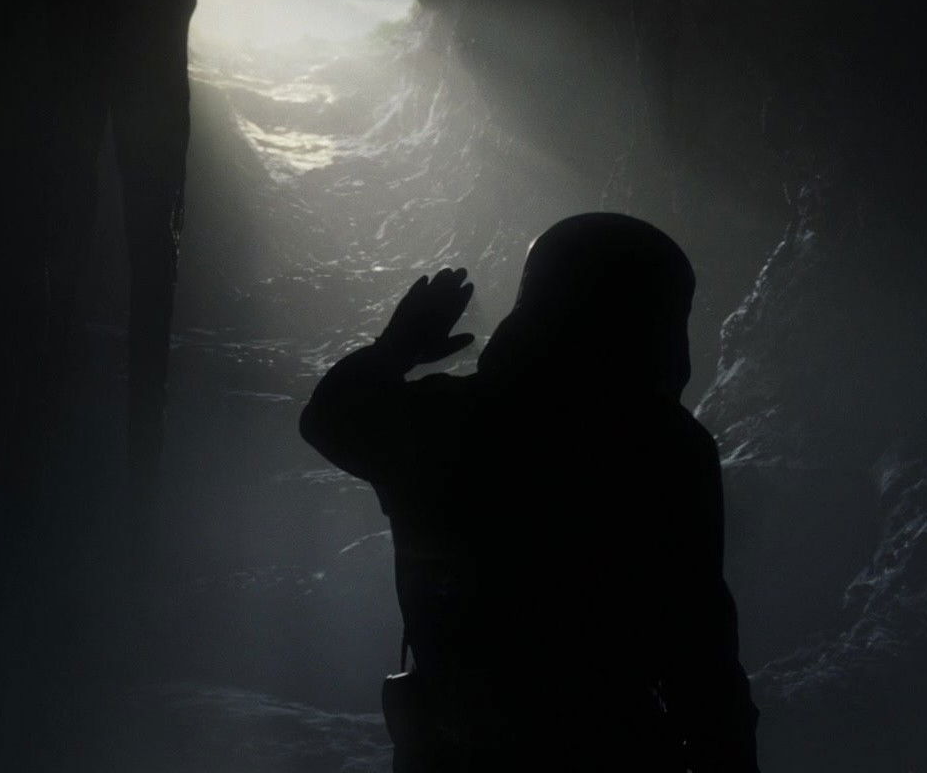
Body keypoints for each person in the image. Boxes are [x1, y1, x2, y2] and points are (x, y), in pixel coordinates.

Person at [300, 213, 759, 771]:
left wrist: (396, 347)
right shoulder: (668, 448)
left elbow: (328, 418)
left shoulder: (446, 418)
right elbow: (702, 643)